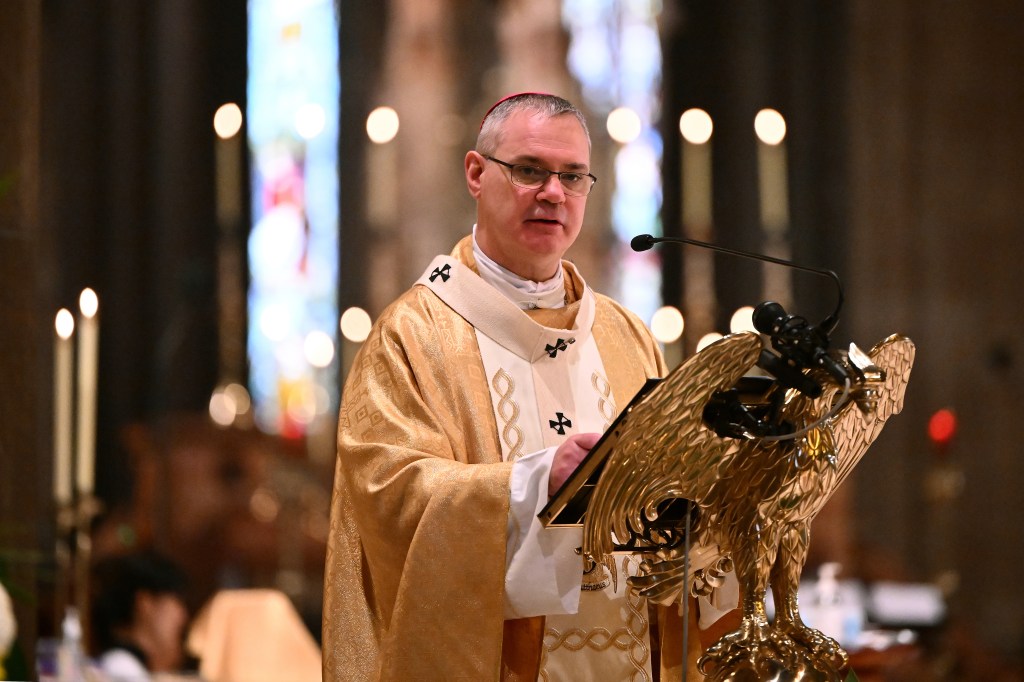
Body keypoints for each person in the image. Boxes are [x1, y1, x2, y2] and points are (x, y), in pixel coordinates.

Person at [322, 93, 737, 681]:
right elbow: (389, 500)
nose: (553, 193)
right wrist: (536, 485)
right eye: (528, 170)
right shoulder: (413, 337)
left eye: (572, 176)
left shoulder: (626, 337)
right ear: (475, 173)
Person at [89, 550, 191, 681]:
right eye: (178, 601)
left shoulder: (130, 668)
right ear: (145, 603)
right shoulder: (121, 668)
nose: (183, 616)